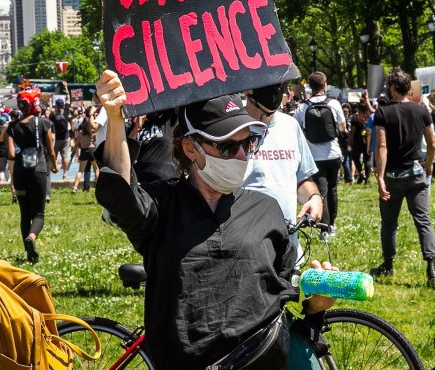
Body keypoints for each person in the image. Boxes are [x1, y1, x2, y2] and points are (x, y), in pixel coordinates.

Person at [95, 72, 335, 370]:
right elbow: (121, 194)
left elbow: (287, 295)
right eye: (225, 147)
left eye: (247, 144)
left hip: (262, 361)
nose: (240, 156)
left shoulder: (266, 209)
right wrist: (116, 118)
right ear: (190, 148)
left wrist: (317, 303)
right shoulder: (162, 207)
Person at [371, 68, 435, 287]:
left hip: (392, 176)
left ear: (392, 87)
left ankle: (388, 263)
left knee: (389, 223)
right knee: (423, 221)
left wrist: (380, 177)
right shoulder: (421, 111)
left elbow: (381, 146)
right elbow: (432, 144)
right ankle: (431, 265)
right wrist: (428, 165)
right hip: (417, 174)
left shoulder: (383, 112)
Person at [243, 83, 323, 254]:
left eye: (282, 83)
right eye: (270, 83)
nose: (278, 89)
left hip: (288, 246)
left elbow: (301, 179)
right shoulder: (232, 129)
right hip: (247, 249)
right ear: (247, 88)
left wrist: (314, 197)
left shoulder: (290, 125)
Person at [293, 72, 347, 239]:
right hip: (333, 154)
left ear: (310, 86)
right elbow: (343, 127)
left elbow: (295, 128)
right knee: (333, 190)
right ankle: (332, 224)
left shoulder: (303, 107)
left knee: (320, 191)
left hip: (315, 157)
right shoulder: (334, 104)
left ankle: (324, 228)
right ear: (325, 84)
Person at [5, 88, 56, 263]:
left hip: (20, 172)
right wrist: (54, 166)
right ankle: (32, 238)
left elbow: (11, 154)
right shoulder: (43, 123)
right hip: (39, 171)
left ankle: (28, 254)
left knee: (24, 213)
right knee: (39, 214)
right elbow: (50, 150)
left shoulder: (12, 127)